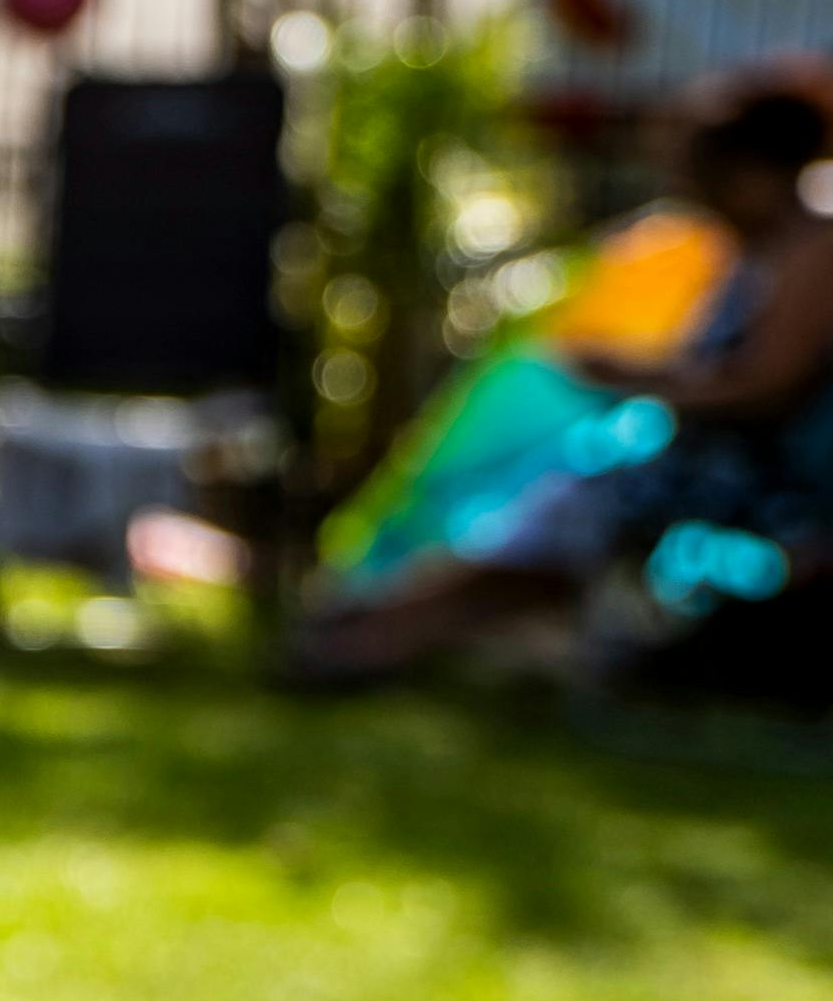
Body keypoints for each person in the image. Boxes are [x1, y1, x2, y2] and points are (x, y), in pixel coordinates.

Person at [288, 64, 833, 684]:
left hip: (770, 484)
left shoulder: (813, 249)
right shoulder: (754, 248)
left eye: (700, 180)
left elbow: (768, 388)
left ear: (750, 175)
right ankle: (380, 624)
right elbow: (726, 367)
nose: (690, 196)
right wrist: (635, 372)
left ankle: (373, 631)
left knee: (580, 499)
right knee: (562, 484)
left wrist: (639, 383)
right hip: (707, 460)